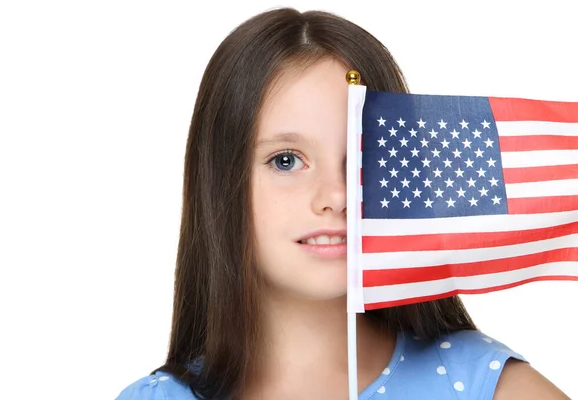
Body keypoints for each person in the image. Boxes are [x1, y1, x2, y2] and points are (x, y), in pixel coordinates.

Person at [116, 7, 569, 400]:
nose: (336, 195)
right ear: (221, 183)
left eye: (363, 156)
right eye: (286, 160)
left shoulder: (481, 387)